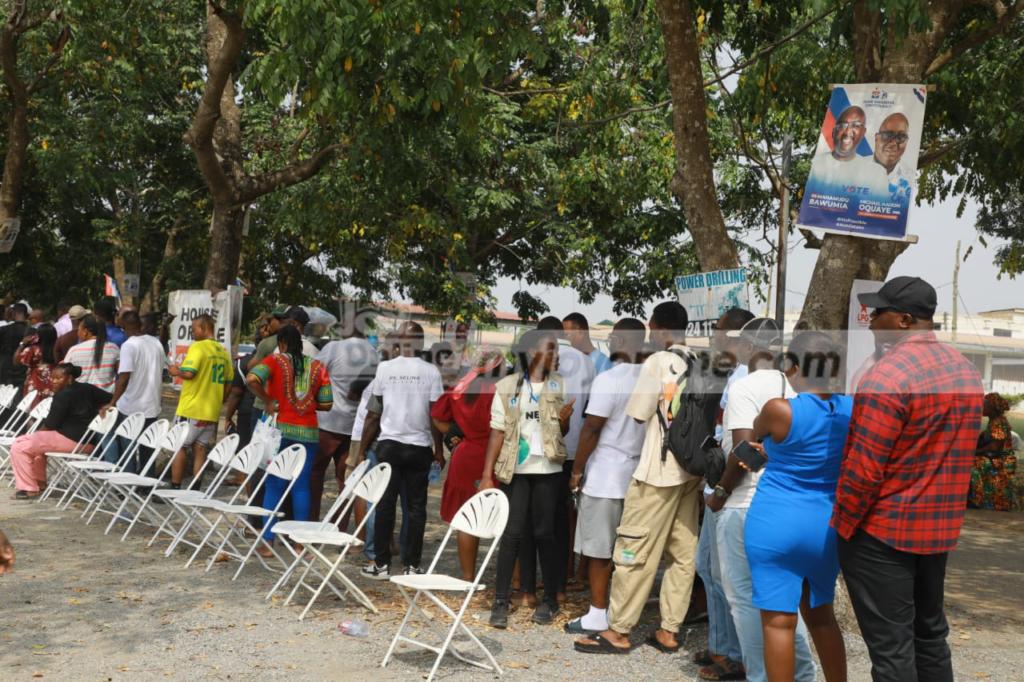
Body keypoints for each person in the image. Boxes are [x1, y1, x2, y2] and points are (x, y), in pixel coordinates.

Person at [833, 276, 984, 682]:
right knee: (930, 635)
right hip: (937, 532)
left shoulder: (888, 375)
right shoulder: (967, 372)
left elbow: (864, 468)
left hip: (883, 533)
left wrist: (843, 527)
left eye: (876, 312)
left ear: (902, 320)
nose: (869, 321)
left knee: (892, 650)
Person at [573, 301, 700, 655]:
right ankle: (669, 631)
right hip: (691, 472)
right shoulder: (701, 362)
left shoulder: (657, 363)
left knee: (632, 551)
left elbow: (640, 416)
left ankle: (618, 631)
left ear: (658, 329)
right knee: (681, 555)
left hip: (657, 472)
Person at [706, 317, 814, 682]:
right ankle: (802, 675)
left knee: (745, 603)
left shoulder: (745, 387)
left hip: (745, 506)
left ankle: (760, 676)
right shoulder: (798, 387)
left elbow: (745, 454)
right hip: (788, 506)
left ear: (751, 348)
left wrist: (720, 493)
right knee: (781, 605)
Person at [745, 331, 853, 682]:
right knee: (822, 616)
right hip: (826, 524)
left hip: (775, 522)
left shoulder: (780, 409)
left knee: (778, 623)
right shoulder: (853, 410)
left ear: (791, 368)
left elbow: (753, 437)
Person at [480, 329, 575, 628]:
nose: (557, 355)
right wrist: (486, 475)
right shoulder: (507, 386)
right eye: (552, 349)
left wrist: (564, 420)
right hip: (516, 470)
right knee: (512, 534)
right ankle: (500, 601)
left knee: (545, 534)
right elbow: (497, 431)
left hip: (547, 469)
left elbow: (563, 431)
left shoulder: (558, 383)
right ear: (534, 352)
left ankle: (548, 601)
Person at [564, 318, 646, 635]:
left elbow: (593, 428)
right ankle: (622, 611)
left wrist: (577, 470)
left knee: (599, 551)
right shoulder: (653, 380)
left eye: (613, 337)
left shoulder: (610, 379)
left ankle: (598, 613)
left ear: (621, 341)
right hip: (638, 476)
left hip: (606, 476)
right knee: (627, 549)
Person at [693, 307, 753, 680]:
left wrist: (721, 489)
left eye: (717, 333)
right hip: (718, 484)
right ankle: (722, 647)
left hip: (731, 489)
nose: (713, 338)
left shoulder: (748, 378)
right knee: (708, 567)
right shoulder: (733, 374)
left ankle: (739, 657)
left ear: (732, 337)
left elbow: (746, 448)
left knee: (729, 576)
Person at [358, 321, 443, 579]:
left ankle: (381, 565)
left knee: (385, 506)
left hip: (388, 447)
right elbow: (435, 417)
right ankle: (411, 566)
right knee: (416, 508)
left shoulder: (385, 368)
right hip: (419, 448)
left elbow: (375, 412)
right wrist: (439, 450)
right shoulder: (432, 371)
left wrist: (361, 450)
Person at [247, 325, 333, 551]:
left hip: (278, 432)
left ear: (282, 343)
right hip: (309, 434)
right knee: (302, 486)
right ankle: (299, 543)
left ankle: (267, 542)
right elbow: (326, 403)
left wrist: (268, 400)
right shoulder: (318, 366)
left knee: (274, 484)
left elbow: (251, 379)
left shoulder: (275, 361)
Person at [431, 344, 506, 581]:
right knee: (505, 519)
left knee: (466, 519)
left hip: (464, 455)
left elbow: (437, 416)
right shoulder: (500, 390)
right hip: (494, 457)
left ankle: (467, 578)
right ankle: (512, 581)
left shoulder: (460, 387)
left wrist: (456, 435)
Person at [538, 315, 595, 599]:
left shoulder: (538, 355)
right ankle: (564, 577)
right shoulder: (586, 360)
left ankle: (540, 580)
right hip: (575, 447)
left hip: (542, 450)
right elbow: (589, 409)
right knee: (567, 516)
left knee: (540, 514)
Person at [8, 364, 111, 500]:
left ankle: (28, 489)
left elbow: (50, 425)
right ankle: (40, 482)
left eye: (58, 378)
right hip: (89, 442)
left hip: (72, 441)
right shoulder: (88, 388)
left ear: (69, 378)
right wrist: (105, 406)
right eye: (52, 378)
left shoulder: (63, 395)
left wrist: (34, 435)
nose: (54, 381)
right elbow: (111, 398)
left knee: (19, 446)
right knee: (34, 447)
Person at [312, 321, 378, 521]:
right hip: (356, 428)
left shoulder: (333, 348)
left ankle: (309, 522)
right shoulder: (373, 353)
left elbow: (313, 376)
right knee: (347, 480)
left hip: (326, 422)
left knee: (315, 475)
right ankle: (339, 528)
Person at [167, 315, 233, 489]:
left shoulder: (198, 347)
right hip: (211, 412)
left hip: (191, 409)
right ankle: (196, 488)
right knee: (200, 449)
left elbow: (189, 374)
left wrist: (176, 371)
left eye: (193, 329)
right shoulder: (222, 352)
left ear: (203, 328)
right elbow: (229, 383)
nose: (192, 333)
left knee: (179, 447)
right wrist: (220, 400)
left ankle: (175, 487)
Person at [101, 311, 166, 472]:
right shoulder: (155, 342)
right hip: (151, 406)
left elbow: (123, 378)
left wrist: (112, 402)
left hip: (130, 407)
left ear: (123, 326)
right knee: (147, 448)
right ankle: (146, 485)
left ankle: (127, 484)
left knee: (128, 450)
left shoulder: (129, 346)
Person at [806, 105, 890, 197]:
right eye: (842, 126)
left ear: (863, 132)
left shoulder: (876, 173)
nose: (847, 132)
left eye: (855, 126)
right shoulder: (817, 164)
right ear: (833, 132)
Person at [968, 393, 1017, 511]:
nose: (982, 407)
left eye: (984, 405)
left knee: (975, 463)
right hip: (995, 458)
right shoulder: (993, 422)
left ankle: (979, 501)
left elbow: (994, 447)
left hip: (1002, 460)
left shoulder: (999, 423)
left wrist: (976, 452)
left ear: (992, 407)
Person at [63, 315, 120, 391]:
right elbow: (120, 374)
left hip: (82, 398)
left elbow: (65, 374)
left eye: (79, 329)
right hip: (107, 398)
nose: (78, 333)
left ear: (85, 332)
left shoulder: (74, 351)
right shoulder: (113, 348)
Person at [13, 324, 57, 408]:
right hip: (53, 381)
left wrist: (23, 343)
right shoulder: (57, 348)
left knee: (32, 410)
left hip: (36, 382)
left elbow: (16, 360)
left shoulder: (34, 349)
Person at [872, 112, 913, 204]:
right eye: (887, 135)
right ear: (876, 137)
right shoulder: (855, 166)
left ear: (906, 141)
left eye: (901, 137)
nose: (893, 142)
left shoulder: (910, 178)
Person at [0, 302, 31, 392]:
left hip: (4, 369)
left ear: (13, 314)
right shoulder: (33, 332)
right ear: (28, 315)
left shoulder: (3, 330)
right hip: (24, 370)